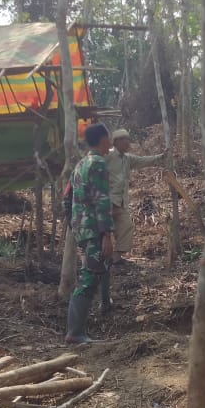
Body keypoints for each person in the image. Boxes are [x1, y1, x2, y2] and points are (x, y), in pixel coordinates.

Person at [64, 123, 115, 344]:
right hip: (94, 228)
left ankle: (79, 330)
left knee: (95, 272)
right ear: (102, 139)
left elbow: (67, 197)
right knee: (89, 279)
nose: (110, 141)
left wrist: (75, 224)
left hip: (83, 228)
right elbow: (102, 200)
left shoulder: (80, 165)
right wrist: (106, 234)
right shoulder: (98, 163)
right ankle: (75, 333)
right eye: (109, 137)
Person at [105, 128, 166, 266]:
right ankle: (99, 259)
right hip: (106, 201)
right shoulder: (107, 156)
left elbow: (144, 161)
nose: (128, 144)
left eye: (128, 140)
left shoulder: (127, 158)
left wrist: (162, 157)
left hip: (120, 201)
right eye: (125, 141)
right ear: (117, 142)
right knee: (103, 230)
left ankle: (116, 258)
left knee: (126, 226)